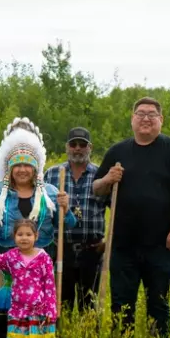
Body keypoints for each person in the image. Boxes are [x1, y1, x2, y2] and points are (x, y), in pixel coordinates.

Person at [93, 97, 170, 337]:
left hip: (163, 241)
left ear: (161, 120)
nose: (146, 118)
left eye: (152, 114)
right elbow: (96, 188)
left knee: (158, 299)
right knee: (121, 300)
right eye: (140, 113)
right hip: (123, 242)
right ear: (132, 119)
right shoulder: (118, 151)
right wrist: (108, 179)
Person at [0, 117, 74, 338]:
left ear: (36, 168)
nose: (22, 169)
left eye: (27, 164)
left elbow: (69, 224)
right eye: (17, 164)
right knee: (0, 299)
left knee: (37, 302)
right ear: (9, 167)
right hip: (4, 257)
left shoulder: (51, 192)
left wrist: (65, 208)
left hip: (41, 258)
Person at [43, 127, 107, 313]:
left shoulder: (101, 175)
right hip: (61, 248)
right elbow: (43, 211)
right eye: (73, 144)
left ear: (90, 147)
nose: (77, 148)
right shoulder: (53, 174)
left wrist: (108, 243)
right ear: (67, 147)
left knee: (89, 305)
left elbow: (118, 210)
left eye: (82, 144)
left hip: (92, 249)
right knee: (63, 303)